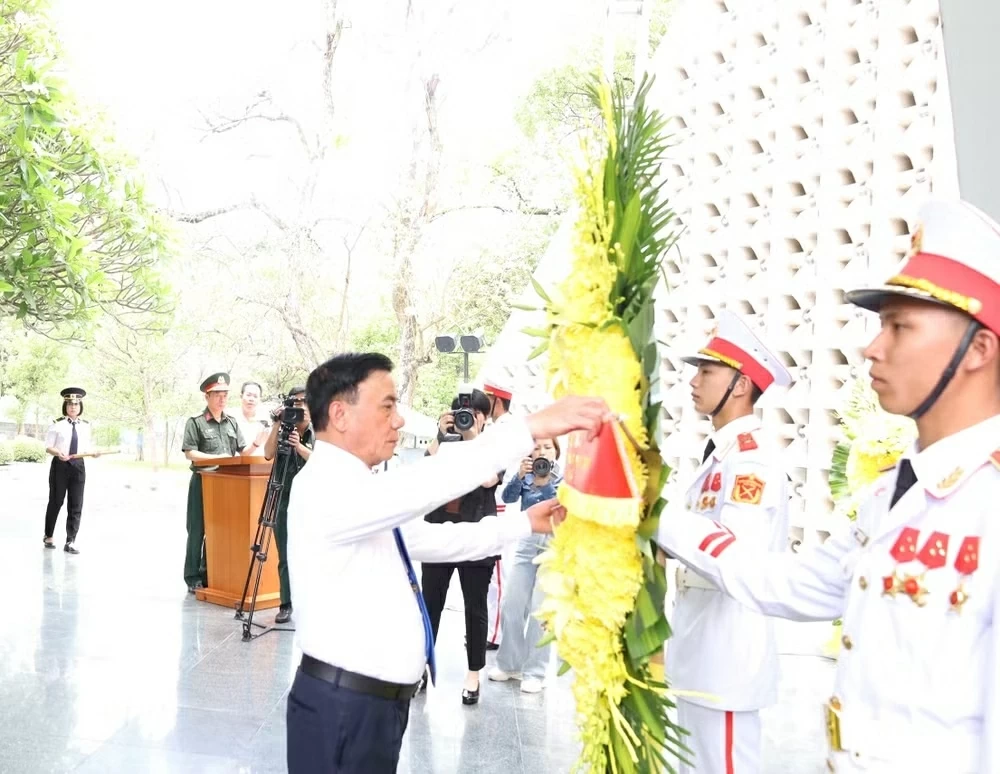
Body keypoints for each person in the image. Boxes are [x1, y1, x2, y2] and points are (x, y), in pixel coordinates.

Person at [656, 198, 1000, 773]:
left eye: (899, 326)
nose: (871, 347)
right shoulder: (896, 492)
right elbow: (786, 584)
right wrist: (652, 509)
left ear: (979, 349)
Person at [285, 352, 611, 774]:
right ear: (340, 414)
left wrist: (525, 523)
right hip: (343, 709)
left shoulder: (358, 488)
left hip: (368, 709)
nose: (399, 420)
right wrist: (529, 429)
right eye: (387, 406)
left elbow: (432, 539)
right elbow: (427, 482)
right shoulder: (325, 487)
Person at [661, 310, 792, 773]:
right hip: (700, 649)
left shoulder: (752, 464)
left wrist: (657, 517)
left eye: (707, 371)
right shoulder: (719, 457)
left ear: (740, 385)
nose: (694, 381)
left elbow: (735, 554)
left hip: (729, 654)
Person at [420, 389, 501, 705]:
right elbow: (425, 471)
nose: (466, 419)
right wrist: (442, 435)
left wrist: (472, 439)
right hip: (439, 533)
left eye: (473, 415)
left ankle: (473, 674)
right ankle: (422, 667)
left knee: (475, 606)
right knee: (430, 604)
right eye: (460, 414)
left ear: (484, 418)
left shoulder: (493, 446)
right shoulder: (445, 442)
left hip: (475, 536)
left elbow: (489, 481)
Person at [489, 436, 562, 694]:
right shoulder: (526, 472)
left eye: (548, 447)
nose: (542, 451)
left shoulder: (563, 478)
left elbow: (558, 504)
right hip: (526, 541)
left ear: (556, 451)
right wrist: (520, 477)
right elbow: (508, 498)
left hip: (554, 544)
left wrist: (545, 483)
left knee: (540, 610)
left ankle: (535, 672)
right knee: (512, 604)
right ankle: (509, 664)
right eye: (537, 447)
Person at [180, 372, 246, 593]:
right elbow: (190, 453)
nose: (222, 398)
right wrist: (219, 459)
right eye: (217, 394)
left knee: (219, 531)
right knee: (197, 530)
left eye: (225, 394)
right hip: (202, 482)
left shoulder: (232, 423)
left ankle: (209, 572)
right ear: (207, 397)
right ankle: (192, 577)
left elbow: (242, 451)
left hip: (226, 485)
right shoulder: (196, 423)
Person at [263, 386, 313, 625]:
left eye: (305, 402)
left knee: (312, 554)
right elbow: (268, 453)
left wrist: (300, 447)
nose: (300, 407)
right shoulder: (282, 429)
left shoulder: (322, 432)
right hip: (283, 501)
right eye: (296, 402)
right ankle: (286, 603)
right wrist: (276, 424)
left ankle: (311, 601)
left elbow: (325, 462)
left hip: (312, 503)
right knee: (284, 554)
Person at [42, 387, 100, 554]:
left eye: (76, 404)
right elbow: (48, 447)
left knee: (76, 504)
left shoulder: (86, 426)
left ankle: (71, 541)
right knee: (56, 501)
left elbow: (87, 447)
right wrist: (57, 453)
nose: (73, 407)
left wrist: (93, 453)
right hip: (60, 466)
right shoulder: (57, 424)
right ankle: (48, 535)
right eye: (69, 404)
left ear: (80, 406)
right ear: (65, 406)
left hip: (78, 467)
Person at [483, 378, 517, 649]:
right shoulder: (498, 428)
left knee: (497, 574)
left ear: (497, 400)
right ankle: (491, 630)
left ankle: (494, 634)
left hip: (500, 505)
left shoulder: (505, 429)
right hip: (494, 505)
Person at [235, 380, 271, 456]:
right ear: (241, 396)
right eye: (248, 395)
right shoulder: (232, 419)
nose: (251, 399)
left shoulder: (267, 420)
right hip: (237, 465)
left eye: (255, 396)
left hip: (262, 464)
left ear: (260, 399)